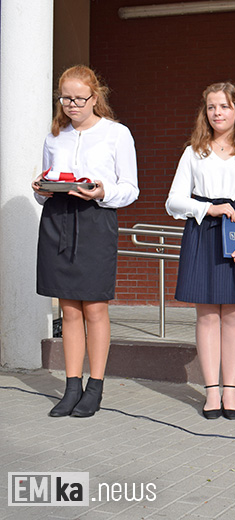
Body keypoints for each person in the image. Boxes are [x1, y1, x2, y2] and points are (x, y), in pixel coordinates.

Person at [166, 82, 235, 420]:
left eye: (225, 107)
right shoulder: (193, 152)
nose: (218, 113)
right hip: (203, 233)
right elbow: (173, 201)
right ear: (206, 112)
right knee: (207, 315)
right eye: (212, 107)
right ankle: (211, 392)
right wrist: (208, 209)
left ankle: (231, 392)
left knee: (233, 315)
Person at [32, 65, 139, 418]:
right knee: (68, 309)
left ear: (96, 97)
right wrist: (41, 189)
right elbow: (48, 183)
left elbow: (131, 189)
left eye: (79, 99)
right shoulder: (55, 135)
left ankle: (96, 387)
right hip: (58, 218)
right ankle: (71, 386)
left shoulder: (116, 134)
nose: (72, 105)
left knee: (94, 307)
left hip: (95, 218)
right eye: (66, 99)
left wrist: (103, 190)